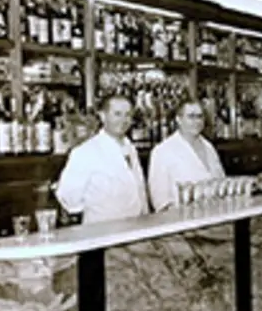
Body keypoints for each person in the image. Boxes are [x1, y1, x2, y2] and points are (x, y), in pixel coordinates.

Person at [56, 94, 149, 224]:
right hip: (103, 232)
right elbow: (68, 197)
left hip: (136, 230)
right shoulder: (85, 152)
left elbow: (140, 194)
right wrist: (98, 207)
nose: (123, 120)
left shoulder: (130, 148)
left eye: (127, 115)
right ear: (103, 116)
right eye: (117, 114)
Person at [148, 99, 226, 212]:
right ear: (178, 119)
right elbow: (160, 200)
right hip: (182, 222)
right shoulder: (162, 151)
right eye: (191, 116)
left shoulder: (209, 147)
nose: (197, 121)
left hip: (214, 218)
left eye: (200, 116)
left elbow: (221, 183)